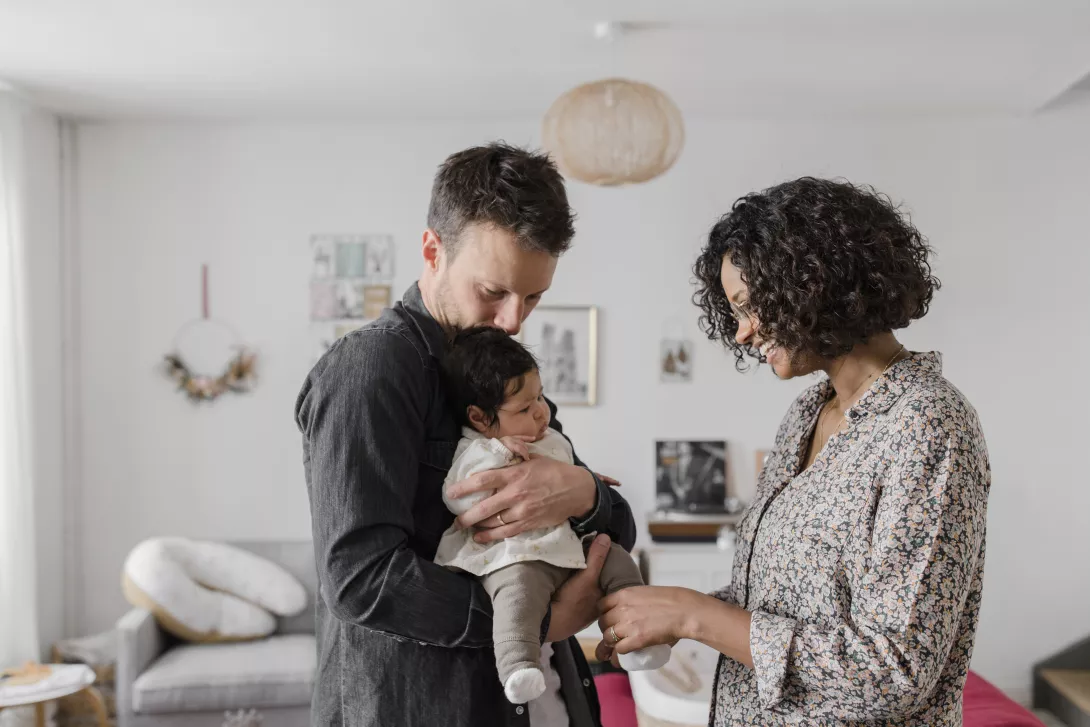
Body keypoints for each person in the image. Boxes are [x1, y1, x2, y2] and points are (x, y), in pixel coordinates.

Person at [596, 177, 991, 726]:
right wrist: (666, 610)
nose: (742, 333)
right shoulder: (807, 413)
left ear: (813, 283)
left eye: (749, 305)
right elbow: (781, 601)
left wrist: (695, 616)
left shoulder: (928, 424)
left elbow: (895, 672)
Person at [295, 143, 636, 727]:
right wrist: (535, 622)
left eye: (533, 297)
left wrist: (584, 493)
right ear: (433, 250)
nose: (513, 320)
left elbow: (617, 525)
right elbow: (360, 582)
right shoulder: (371, 372)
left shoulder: (498, 373)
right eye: (494, 292)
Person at [435, 327, 669, 704]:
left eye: (540, 396)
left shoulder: (548, 437)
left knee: (619, 561)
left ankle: (638, 640)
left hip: (565, 544)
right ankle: (517, 664)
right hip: (515, 553)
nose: (541, 411)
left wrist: (586, 482)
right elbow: (458, 498)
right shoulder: (477, 449)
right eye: (525, 409)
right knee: (517, 590)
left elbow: (579, 482)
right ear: (480, 418)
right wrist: (499, 452)